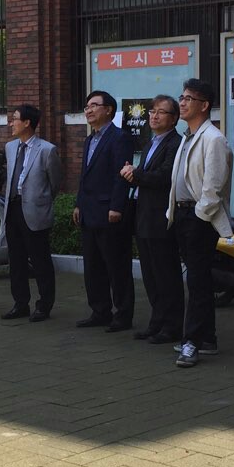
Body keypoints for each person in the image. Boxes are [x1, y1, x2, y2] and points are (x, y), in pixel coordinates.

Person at [167, 79, 233, 367]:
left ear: (204, 105)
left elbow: (213, 186)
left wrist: (199, 215)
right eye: (181, 97)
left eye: (188, 99)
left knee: (196, 281)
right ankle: (207, 339)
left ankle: (191, 342)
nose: (182, 103)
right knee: (200, 280)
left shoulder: (213, 139)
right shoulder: (188, 136)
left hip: (199, 217)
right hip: (182, 214)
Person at [120, 95, 183, 344]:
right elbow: (146, 176)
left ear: (174, 118)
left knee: (166, 274)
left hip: (161, 217)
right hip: (144, 216)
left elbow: (166, 177)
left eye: (161, 112)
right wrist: (133, 174)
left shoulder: (175, 144)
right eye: (152, 111)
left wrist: (136, 175)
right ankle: (157, 322)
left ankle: (172, 326)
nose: (154, 116)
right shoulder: (150, 143)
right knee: (150, 275)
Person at [73, 90, 136, 332]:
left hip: (109, 212)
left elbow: (121, 175)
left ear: (108, 109)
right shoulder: (89, 139)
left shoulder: (120, 138)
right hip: (89, 212)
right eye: (86, 106)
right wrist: (78, 203)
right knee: (93, 266)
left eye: (94, 105)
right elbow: (84, 177)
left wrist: (116, 206)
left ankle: (123, 315)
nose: (88, 110)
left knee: (116, 266)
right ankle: (100, 311)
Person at [0, 104, 63, 322]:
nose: (11, 123)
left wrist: (40, 201)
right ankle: (20, 303)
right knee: (16, 261)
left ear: (27, 123)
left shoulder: (47, 149)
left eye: (15, 119)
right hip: (13, 209)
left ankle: (44, 305)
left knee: (40, 261)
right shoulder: (10, 147)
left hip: (35, 211)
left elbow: (55, 183)